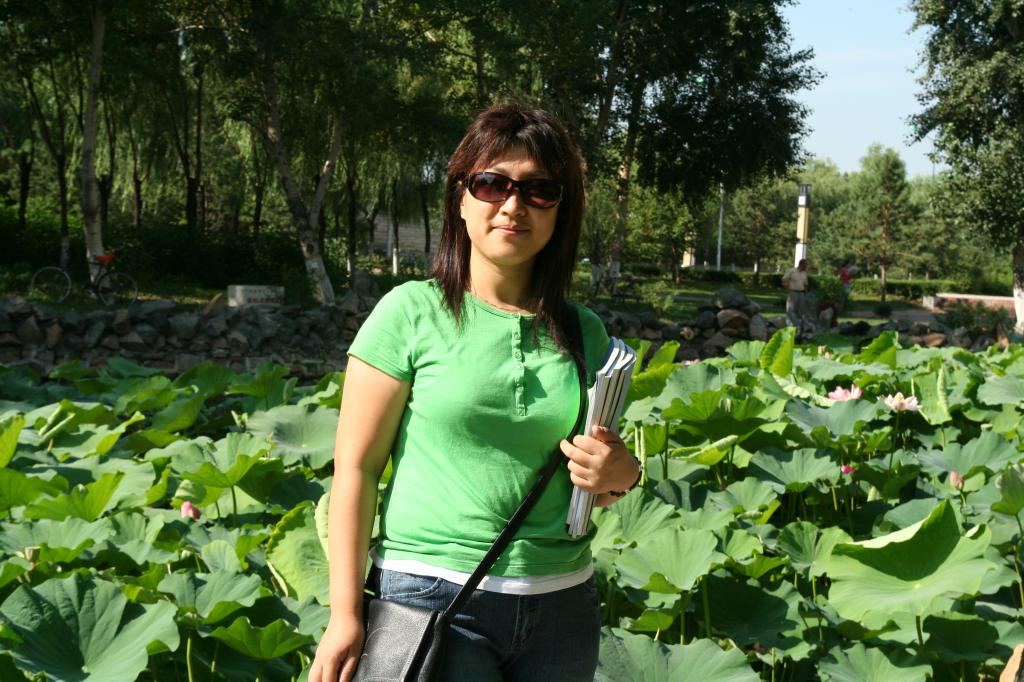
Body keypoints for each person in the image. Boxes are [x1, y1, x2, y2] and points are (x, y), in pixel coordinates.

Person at [309, 104, 642, 682]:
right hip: (433, 599)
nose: (514, 205)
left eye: (540, 190)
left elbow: (600, 483)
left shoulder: (584, 332)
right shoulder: (410, 313)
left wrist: (621, 474)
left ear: (561, 211)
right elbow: (356, 470)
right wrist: (344, 613)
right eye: (492, 184)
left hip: (562, 606)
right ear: (460, 199)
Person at [782, 258, 810, 326]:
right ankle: (789, 324)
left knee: (800, 310)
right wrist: (788, 289)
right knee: (791, 309)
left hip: (801, 293)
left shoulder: (804, 273)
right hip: (793, 292)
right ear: (801, 265)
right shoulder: (792, 271)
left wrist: (806, 293)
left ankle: (799, 324)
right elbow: (784, 279)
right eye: (806, 265)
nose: (806, 267)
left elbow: (805, 284)